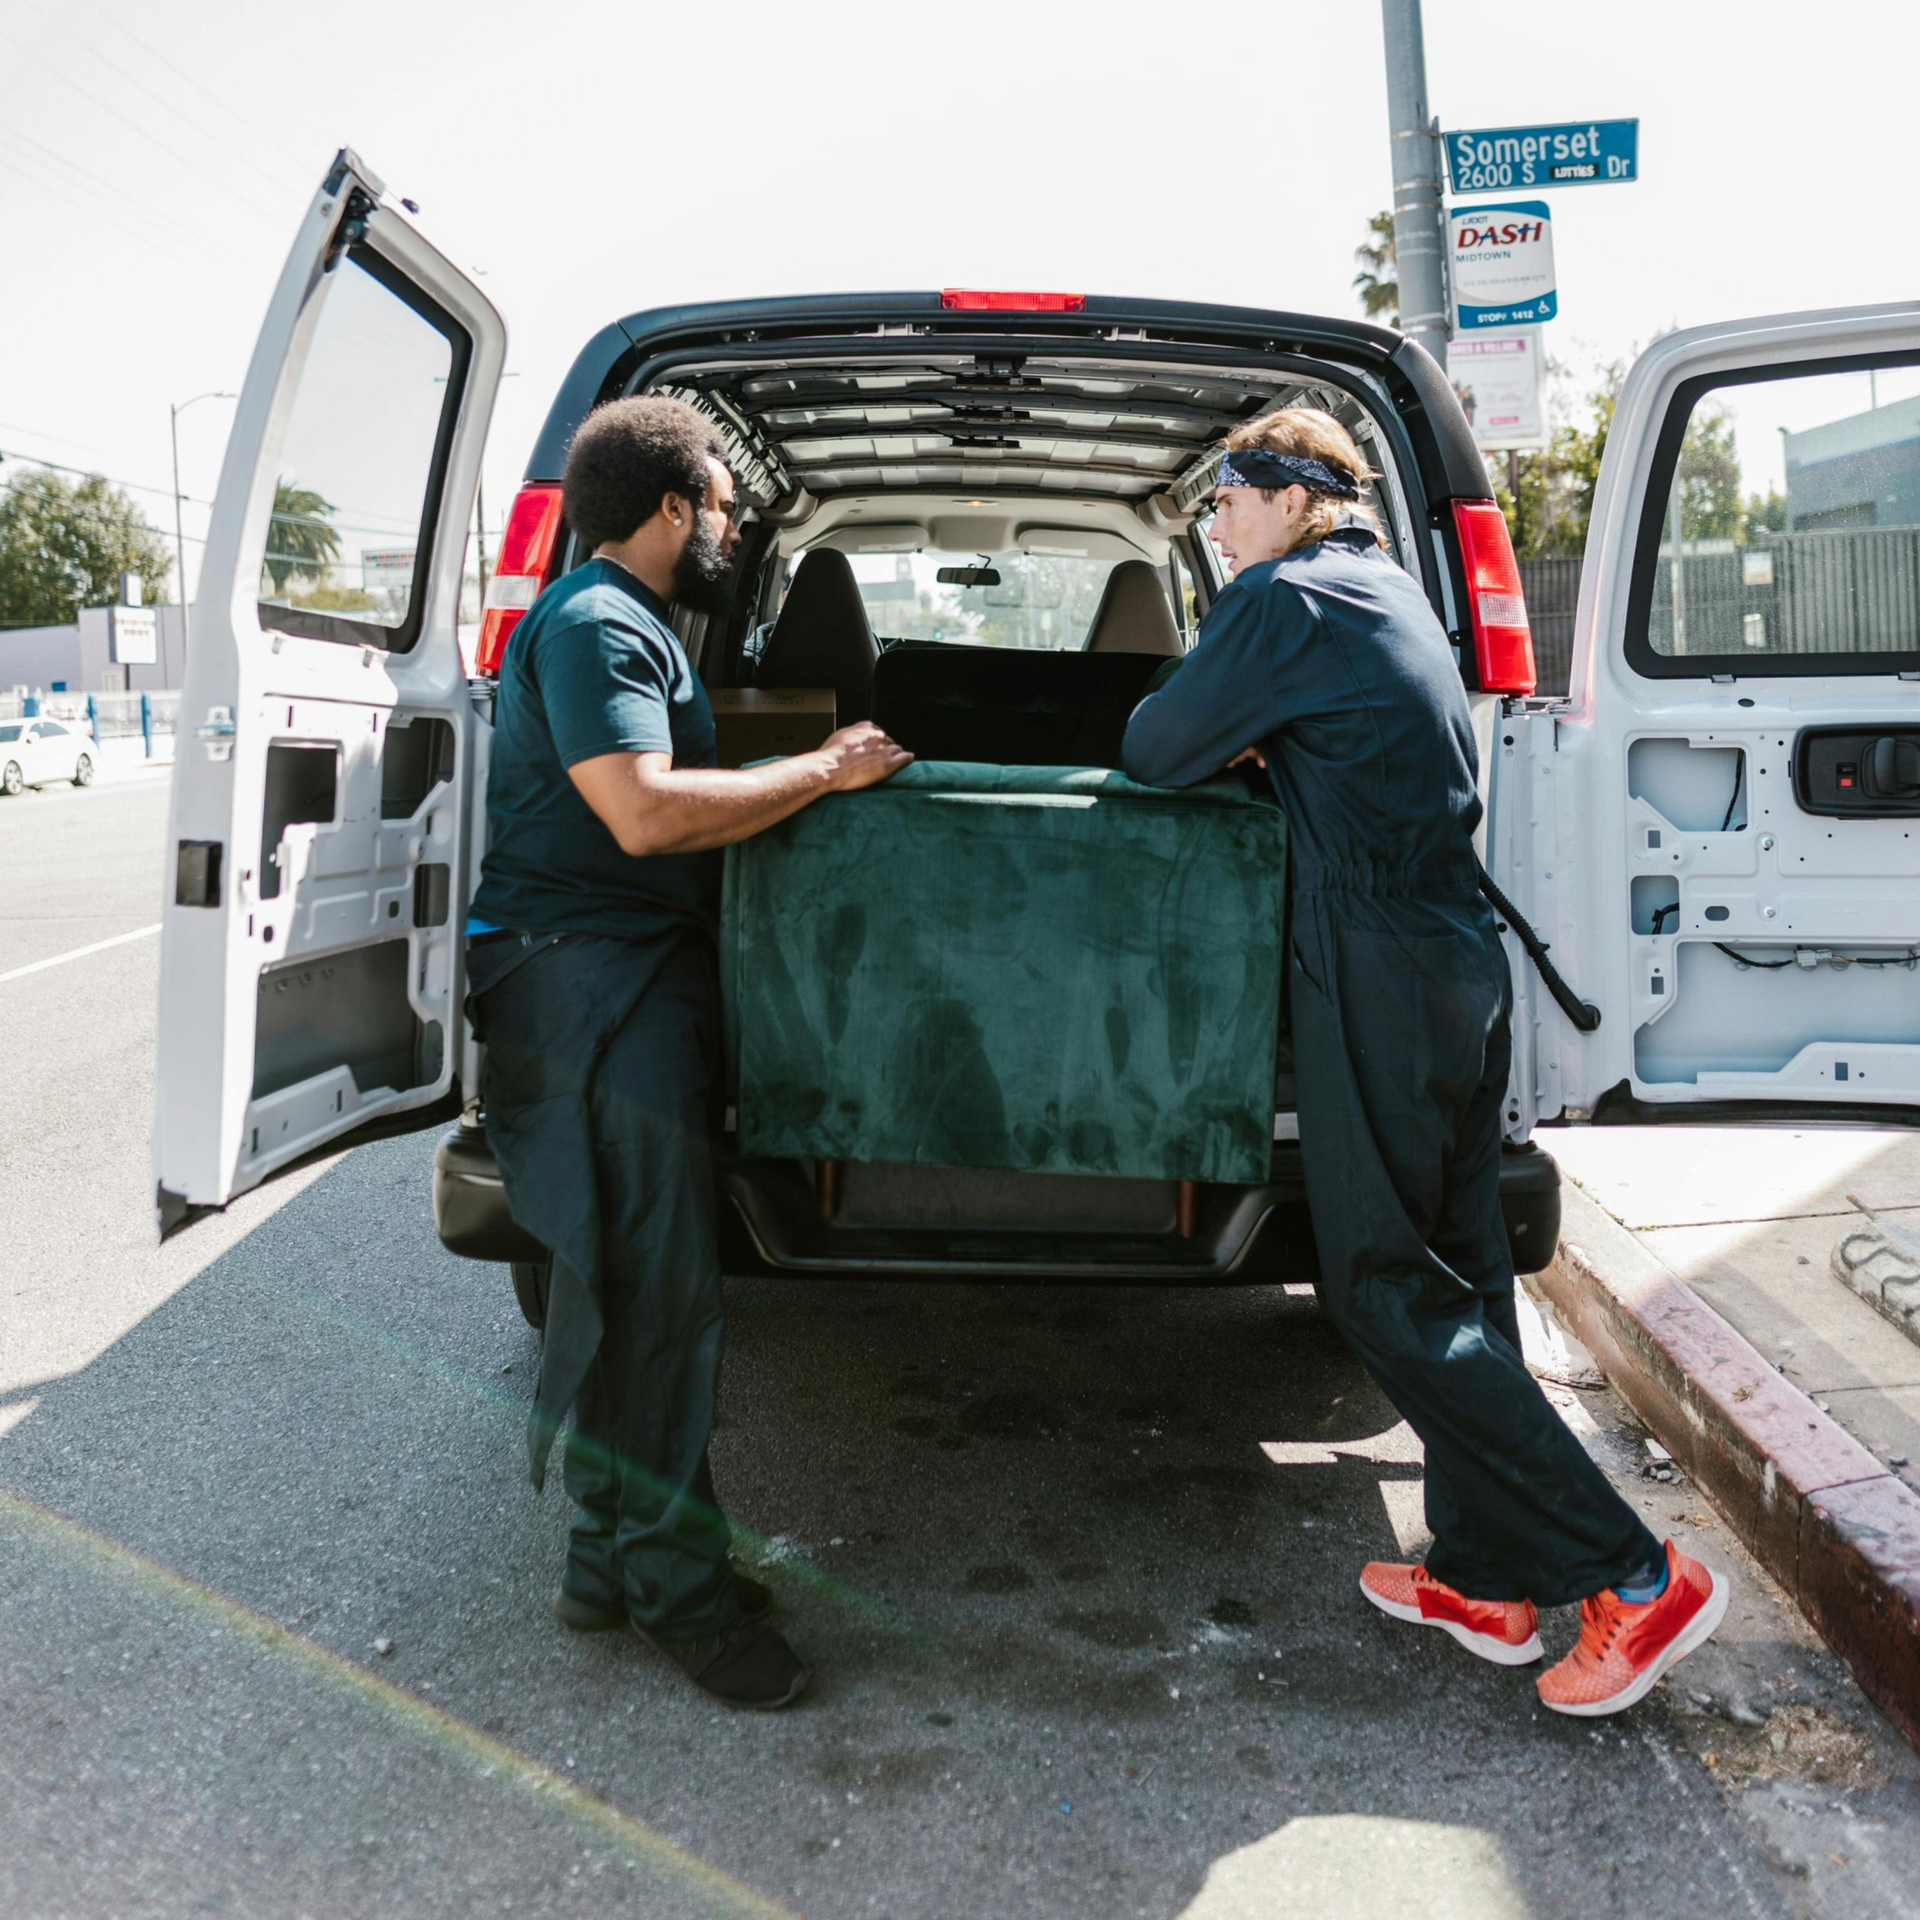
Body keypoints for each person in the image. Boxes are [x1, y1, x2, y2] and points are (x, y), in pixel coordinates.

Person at [1122, 407, 1727, 1716]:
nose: (1217, 527)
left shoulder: (1286, 602)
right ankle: (1489, 1572)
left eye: (1226, 500)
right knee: (1462, 1278)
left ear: (1291, 497)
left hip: (1378, 976)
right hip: (1456, 967)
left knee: (1390, 1288)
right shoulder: (1390, 592)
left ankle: (1631, 1575)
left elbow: (1153, 746)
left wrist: (1235, 723)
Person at [466, 395, 911, 1710]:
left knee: (619, 1287)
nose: (728, 522)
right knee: (660, 1305)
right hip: (588, 996)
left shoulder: (631, 623)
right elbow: (643, 814)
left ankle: (613, 1565)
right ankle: (680, 1600)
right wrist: (824, 771)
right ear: (669, 510)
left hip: (615, 989)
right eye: (720, 502)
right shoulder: (604, 622)